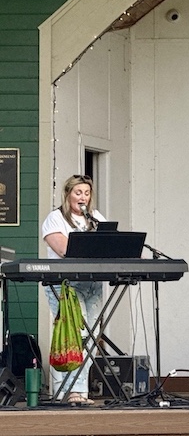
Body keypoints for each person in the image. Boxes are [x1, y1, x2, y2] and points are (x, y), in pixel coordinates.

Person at [41, 174, 107, 405]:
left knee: (92, 337)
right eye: (78, 192)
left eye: (87, 193)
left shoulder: (96, 218)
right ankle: (72, 392)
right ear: (68, 194)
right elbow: (64, 250)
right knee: (76, 336)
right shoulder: (55, 218)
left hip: (92, 283)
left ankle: (79, 391)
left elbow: (109, 244)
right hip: (66, 285)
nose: (83, 197)